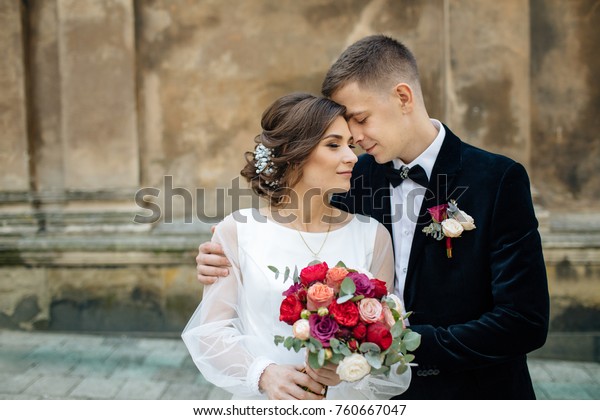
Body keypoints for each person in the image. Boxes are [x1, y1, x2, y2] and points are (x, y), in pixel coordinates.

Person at [195, 35, 550, 400]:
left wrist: (389, 340)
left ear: (403, 97)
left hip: (473, 394)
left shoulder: (497, 179)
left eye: (361, 120)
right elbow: (295, 235)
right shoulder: (352, 178)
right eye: (345, 134)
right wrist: (224, 257)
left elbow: (524, 321)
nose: (356, 141)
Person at [182, 92, 411, 400]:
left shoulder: (373, 236)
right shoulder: (237, 231)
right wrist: (263, 374)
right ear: (294, 152)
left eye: (350, 145)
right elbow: (211, 335)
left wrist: (353, 367)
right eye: (334, 145)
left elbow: (389, 338)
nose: (352, 156)